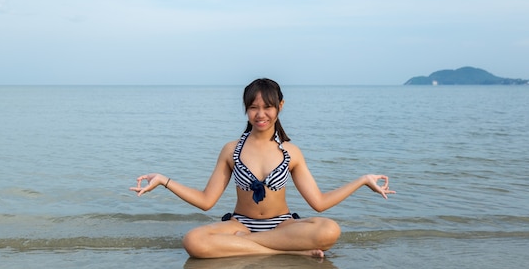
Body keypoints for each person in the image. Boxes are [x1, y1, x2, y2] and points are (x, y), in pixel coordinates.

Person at [130, 78, 394, 259]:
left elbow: (319, 203)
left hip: (282, 226)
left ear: (280, 106)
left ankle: (245, 247)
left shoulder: (291, 152)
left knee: (330, 230)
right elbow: (206, 201)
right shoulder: (231, 150)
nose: (260, 114)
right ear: (246, 110)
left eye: (267, 107)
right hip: (240, 223)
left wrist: (362, 180)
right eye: (253, 107)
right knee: (192, 241)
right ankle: (288, 252)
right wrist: (165, 180)